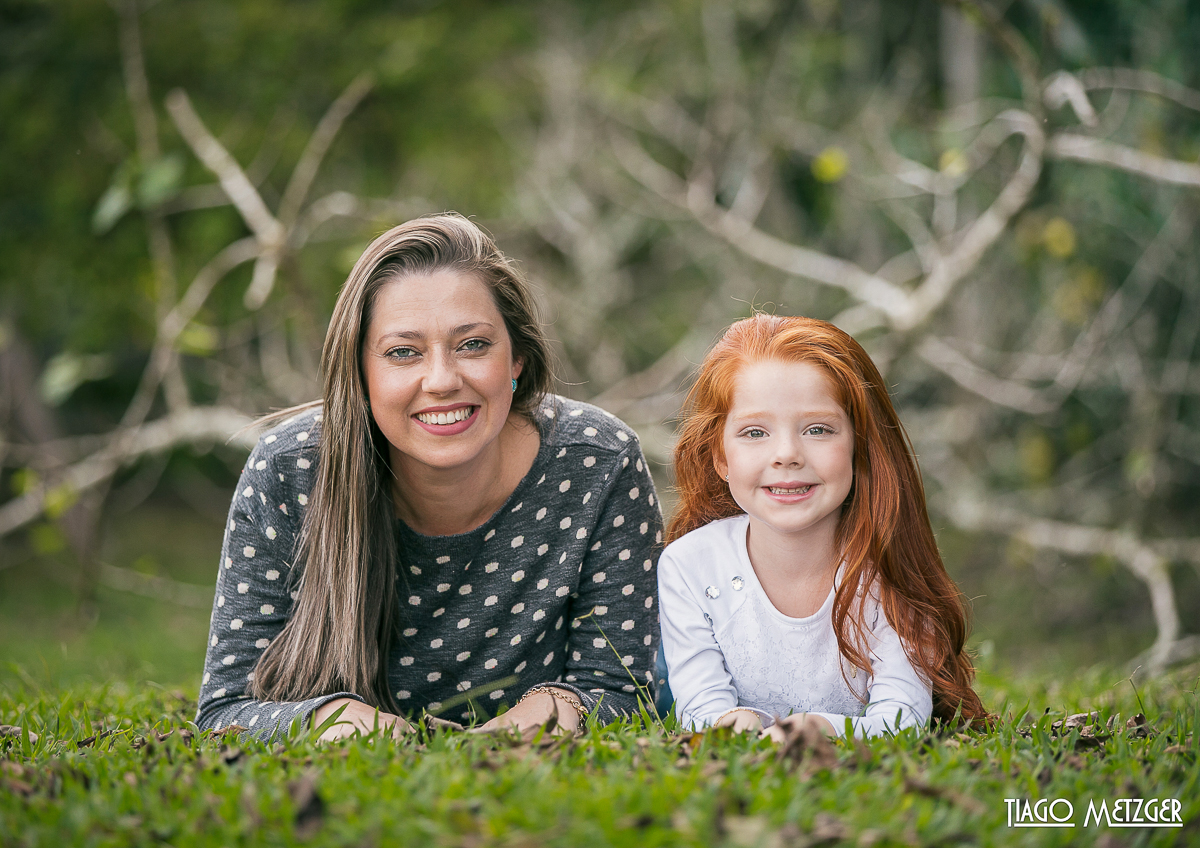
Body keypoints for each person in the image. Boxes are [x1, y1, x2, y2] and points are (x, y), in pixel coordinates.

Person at [197, 214, 662, 741]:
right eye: (403, 352)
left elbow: (623, 691)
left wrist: (558, 707)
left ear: (517, 360)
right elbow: (225, 710)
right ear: (360, 373)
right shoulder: (289, 470)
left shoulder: (597, 463)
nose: (441, 380)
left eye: (473, 345)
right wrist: (331, 719)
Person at [657, 314, 987, 739]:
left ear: (859, 446)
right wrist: (733, 727)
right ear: (720, 456)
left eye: (818, 429)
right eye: (755, 432)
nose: (787, 454)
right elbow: (702, 711)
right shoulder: (689, 565)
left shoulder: (888, 565)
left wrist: (820, 728)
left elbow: (902, 721)